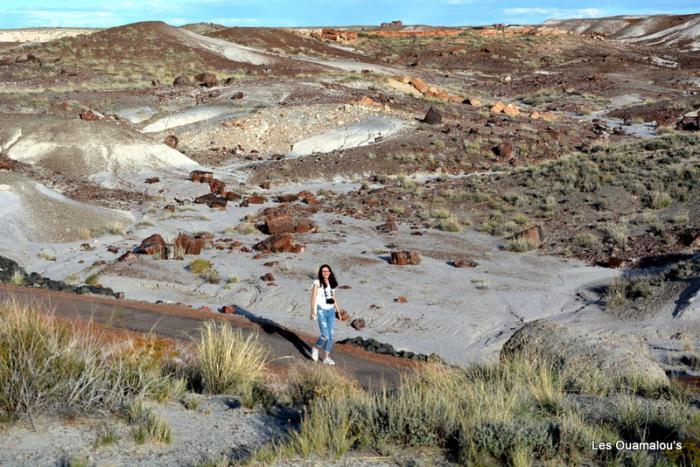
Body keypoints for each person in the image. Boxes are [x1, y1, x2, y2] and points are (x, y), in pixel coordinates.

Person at [309, 264, 340, 365]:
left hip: (331, 311)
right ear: (321, 273)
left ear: (330, 272)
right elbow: (313, 297)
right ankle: (315, 348)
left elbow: (334, 298)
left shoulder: (332, 283)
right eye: (323, 271)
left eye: (327, 271)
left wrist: (338, 311)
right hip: (321, 310)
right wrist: (313, 311)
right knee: (325, 335)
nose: (325, 273)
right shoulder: (317, 282)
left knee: (331, 336)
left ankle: (326, 357)